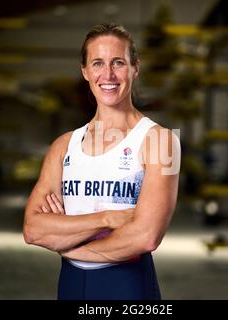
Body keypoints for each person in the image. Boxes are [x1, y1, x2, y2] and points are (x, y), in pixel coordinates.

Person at [23, 23, 180, 300]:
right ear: (84, 70)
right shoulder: (63, 146)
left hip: (127, 286)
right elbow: (34, 230)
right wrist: (107, 219)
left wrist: (71, 246)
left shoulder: (162, 142)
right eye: (97, 63)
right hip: (70, 285)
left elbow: (146, 237)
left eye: (118, 63)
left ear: (135, 68)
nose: (107, 75)